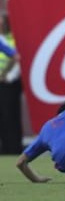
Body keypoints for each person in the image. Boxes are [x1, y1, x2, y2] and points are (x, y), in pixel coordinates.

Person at [0, 14, 22, 154]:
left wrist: (7, 75)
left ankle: (12, 149)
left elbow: (16, 56)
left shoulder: (11, 39)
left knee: (9, 117)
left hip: (8, 83)